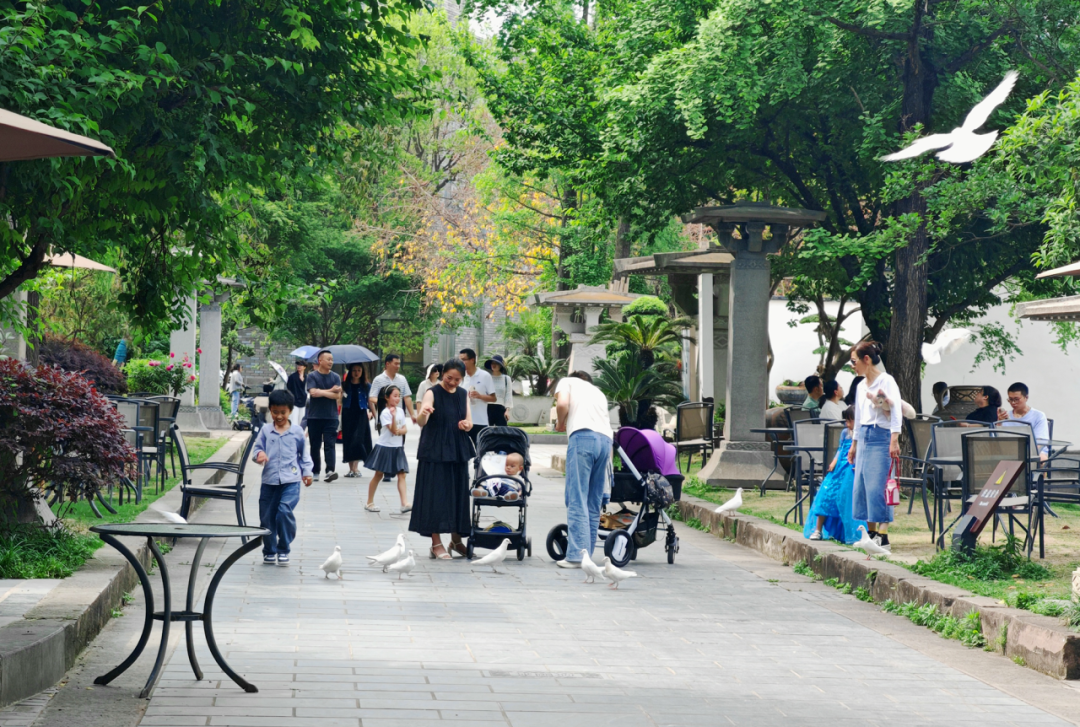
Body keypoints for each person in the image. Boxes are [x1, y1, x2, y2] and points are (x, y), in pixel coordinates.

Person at [410, 358, 473, 560]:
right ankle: (435, 544)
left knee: (458, 494)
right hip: (435, 450)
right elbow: (421, 420)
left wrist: (466, 425)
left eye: (457, 379)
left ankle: (456, 540)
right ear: (441, 374)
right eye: (449, 378)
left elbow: (469, 421)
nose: (453, 382)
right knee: (434, 496)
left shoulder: (463, 394)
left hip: (457, 449)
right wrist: (424, 413)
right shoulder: (432, 392)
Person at [553, 371, 613, 568]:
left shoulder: (567, 381)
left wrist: (560, 423)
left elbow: (562, 405)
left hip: (583, 438)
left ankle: (576, 557)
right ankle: (586, 555)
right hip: (605, 441)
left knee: (577, 496)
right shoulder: (598, 392)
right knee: (592, 501)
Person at [848, 341, 902, 551]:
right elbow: (859, 416)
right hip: (864, 437)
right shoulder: (861, 386)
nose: (852, 366)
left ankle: (883, 536)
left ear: (866, 359)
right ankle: (870, 534)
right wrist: (854, 444)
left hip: (882, 436)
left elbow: (895, 410)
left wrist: (894, 439)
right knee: (861, 486)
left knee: (878, 486)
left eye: (854, 361)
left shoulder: (886, 380)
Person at [252, 389, 314, 566]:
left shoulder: (297, 432)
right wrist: (260, 455)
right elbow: (256, 450)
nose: (278, 416)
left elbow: (304, 455)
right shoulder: (265, 430)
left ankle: (284, 547)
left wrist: (307, 473)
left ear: (290, 411)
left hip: (291, 481)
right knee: (267, 518)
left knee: (284, 511)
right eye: (275, 412)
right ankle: (270, 550)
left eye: (283, 412)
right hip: (269, 482)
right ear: (270, 410)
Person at [805, 406, 866, 544]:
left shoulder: (862, 434)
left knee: (846, 499)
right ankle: (818, 530)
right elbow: (840, 449)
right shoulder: (845, 433)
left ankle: (849, 533)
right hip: (838, 470)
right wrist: (833, 461)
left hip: (851, 470)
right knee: (825, 495)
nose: (847, 424)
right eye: (846, 420)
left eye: (850, 420)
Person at [364, 385, 411, 513]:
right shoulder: (385, 412)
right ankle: (369, 502)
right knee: (378, 474)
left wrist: (399, 430)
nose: (397, 399)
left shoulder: (400, 410)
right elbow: (392, 430)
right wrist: (394, 419)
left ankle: (404, 503)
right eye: (394, 396)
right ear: (386, 397)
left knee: (402, 474)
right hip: (385, 447)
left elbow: (404, 429)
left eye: (399, 396)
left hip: (397, 448)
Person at [305, 350, 342, 482]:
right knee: (315, 445)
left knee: (330, 444)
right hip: (314, 417)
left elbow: (337, 396)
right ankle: (315, 471)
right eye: (328, 359)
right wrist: (331, 391)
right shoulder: (312, 376)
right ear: (320, 361)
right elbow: (313, 393)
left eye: (332, 359)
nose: (331, 362)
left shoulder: (336, 377)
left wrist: (323, 392)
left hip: (331, 416)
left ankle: (330, 470)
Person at [999, 382, 1050, 460]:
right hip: (1009, 451)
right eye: (1010, 399)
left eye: (1016, 399)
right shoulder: (1005, 416)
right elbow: (997, 440)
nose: (1013, 403)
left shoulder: (1038, 415)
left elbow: (1040, 442)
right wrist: (999, 423)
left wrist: (1025, 453)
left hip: (1034, 452)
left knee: (1040, 458)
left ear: (1026, 397)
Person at [342, 364, 373, 478]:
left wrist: (373, 413)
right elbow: (340, 400)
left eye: (359, 370)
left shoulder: (366, 385)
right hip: (348, 414)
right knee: (349, 440)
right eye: (354, 370)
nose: (356, 372)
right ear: (350, 371)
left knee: (358, 440)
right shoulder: (345, 385)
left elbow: (370, 401)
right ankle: (351, 469)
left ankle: (356, 468)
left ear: (362, 372)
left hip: (361, 415)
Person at [460, 348, 495, 447]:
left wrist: (479, 396)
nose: (461, 362)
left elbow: (493, 398)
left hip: (480, 420)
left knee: (481, 449)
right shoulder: (460, 376)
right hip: (463, 421)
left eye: (463, 359)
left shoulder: (485, 376)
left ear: (472, 360)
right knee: (461, 451)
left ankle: (478, 463)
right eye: (460, 360)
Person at [369, 354, 416, 423]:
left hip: (399, 416)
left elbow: (407, 398)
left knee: (400, 433)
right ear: (387, 364)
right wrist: (386, 402)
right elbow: (372, 397)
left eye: (399, 364)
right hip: (384, 417)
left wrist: (412, 415)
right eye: (396, 364)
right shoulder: (378, 379)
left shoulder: (402, 379)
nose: (398, 366)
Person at [484, 354, 514, 425]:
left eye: (496, 363)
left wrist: (507, 411)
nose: (494, 365)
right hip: (487, 408)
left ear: (500, 365)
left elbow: (508, 395)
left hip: (500, 409)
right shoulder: (487, 378)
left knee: (502, 432)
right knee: (487, 432)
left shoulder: (506, 379)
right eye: (492, 363)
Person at [285, 361, 308, 428]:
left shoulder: (307, 377)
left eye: (301, 365)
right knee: (294, 420)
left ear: (304, 367)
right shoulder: (292, 377)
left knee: (302, 420)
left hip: (303, 401)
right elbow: (288, 388)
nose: (299, 366)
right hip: (294, 401)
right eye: (298, 365)